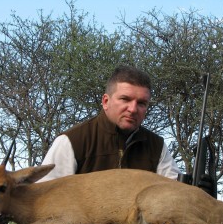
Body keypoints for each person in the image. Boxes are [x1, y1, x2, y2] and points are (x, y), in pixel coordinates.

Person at [38, 65, 181, 182]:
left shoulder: (157, 145)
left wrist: (199, 189)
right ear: (106, 102)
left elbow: (176, 191)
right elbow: (46, 195)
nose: (132, 109)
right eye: (125, 99)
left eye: (141, 103)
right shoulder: (72, 141)